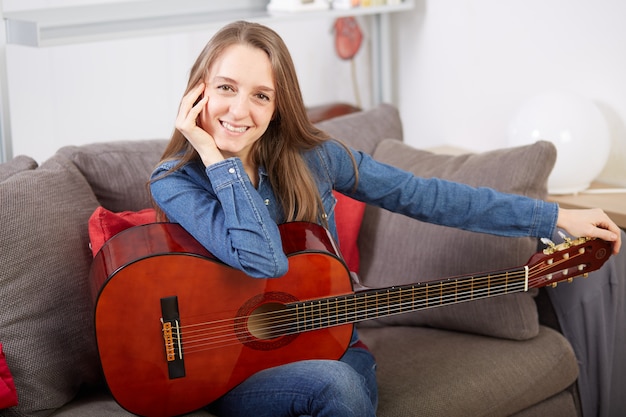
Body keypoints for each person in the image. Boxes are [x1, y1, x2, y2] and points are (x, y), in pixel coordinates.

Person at [149, 20, 621, 417]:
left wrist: (553, 215)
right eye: (226, 89)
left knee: (340, 383)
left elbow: (427, 196)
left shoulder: (315, 158)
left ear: (277, 107)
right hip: (228, 370)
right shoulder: (174, 181)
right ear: (198, 92)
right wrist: (217, 159)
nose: (239, 110)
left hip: (331, 350)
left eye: (261, 96)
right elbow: (263, 258)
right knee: (335, 387)